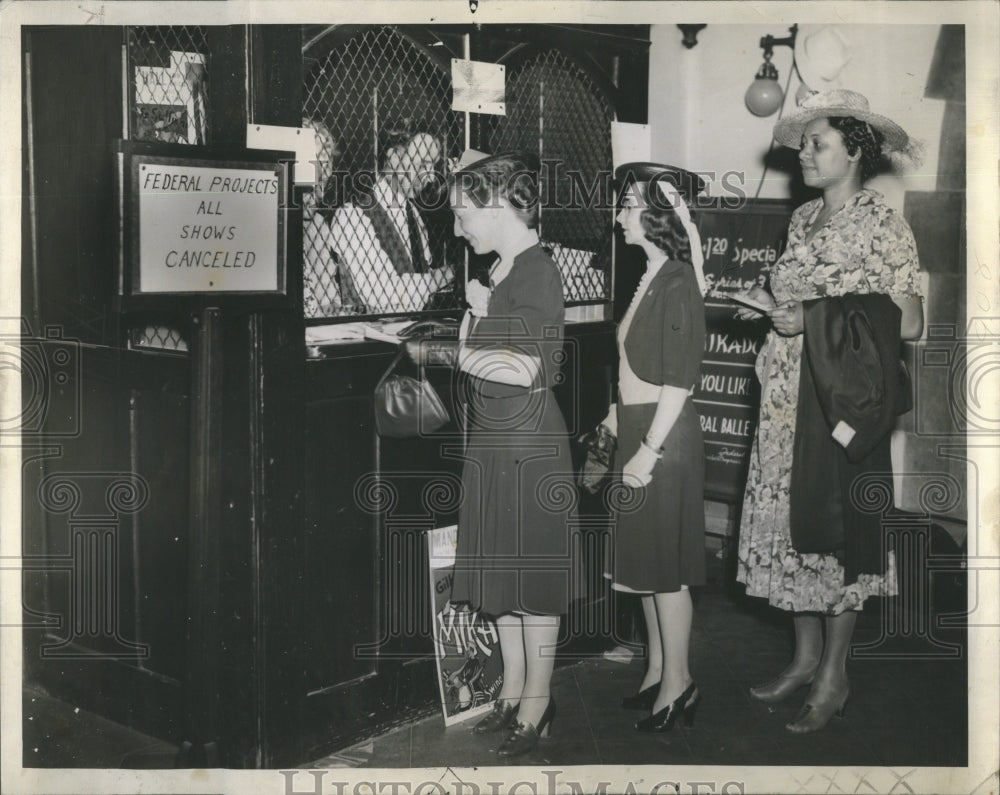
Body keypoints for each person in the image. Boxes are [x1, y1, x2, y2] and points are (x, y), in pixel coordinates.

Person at [734, 89, 924, 734]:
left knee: (840, 536)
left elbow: (913, 321)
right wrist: (764, 304)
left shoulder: (882, 223)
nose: (804, 154)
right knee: (794, 529)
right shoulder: (803, 218)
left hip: (840, 406)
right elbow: (799, 297)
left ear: (855, 151)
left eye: (818, 144)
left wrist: (810, 319)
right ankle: (803, 659)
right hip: (785, 402)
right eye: (804, 143)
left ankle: (834, 676)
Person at [408, 152, 576, 758]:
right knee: (499, 580)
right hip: (491, 439)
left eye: (461, 213)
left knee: (531, 583)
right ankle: (508, 695)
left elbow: (522, 370)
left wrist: (440, 353)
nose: (456, 229)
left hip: (528, 443)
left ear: (497, 204)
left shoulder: (535, 271)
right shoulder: (500, 271)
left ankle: (537, 702)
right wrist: (473, 316)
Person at [597, 162, 708, 734]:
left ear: (653, 214)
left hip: (662, 436)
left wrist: (649, 450)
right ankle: (657, 669)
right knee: (643, 565)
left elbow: (680, 380)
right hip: (640, 426)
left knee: (667, 571)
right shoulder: (656, 271)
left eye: (628, 205)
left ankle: (680, 682)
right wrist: (620, 422)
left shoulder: (677, 280)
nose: (618, 216)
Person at [330, 128, 453, 314]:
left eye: (433, 166)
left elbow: (421, 281)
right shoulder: (352, 215)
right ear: (394, 157)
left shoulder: (414, 215)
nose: (430, 177)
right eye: (423, 165)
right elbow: (383, 294)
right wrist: (451, 273)